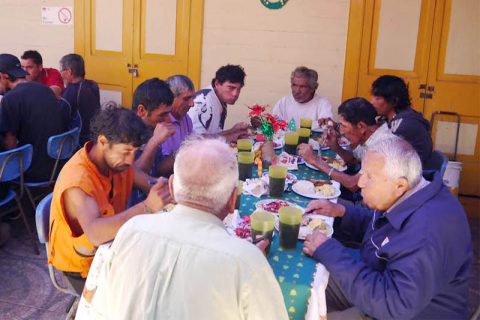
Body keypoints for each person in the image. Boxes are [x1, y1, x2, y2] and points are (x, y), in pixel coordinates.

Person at [90, 136, 288, 319]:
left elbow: (100, 309)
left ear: (171, 187)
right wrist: (251, 264)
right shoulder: (245, 261)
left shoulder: (131, 230)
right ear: (232, 200)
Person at [302, 136, 472, 319]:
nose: (360, 183)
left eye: (369, 177)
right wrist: (341, 211)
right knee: (305, 279)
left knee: (306, 310)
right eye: (363, 173)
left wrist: (330, 251)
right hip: (379, 282)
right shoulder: (412, 193)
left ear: (400, 185)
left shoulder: (426, 232)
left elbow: (394, 305)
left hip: (400, 309)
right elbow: (383, 226)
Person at [48, 107, 172, 294]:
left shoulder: (117, 163)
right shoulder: (78, 182)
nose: (131, 160)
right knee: (145, 294)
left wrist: (170, 189)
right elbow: (95, 234)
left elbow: (147, 182)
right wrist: (146, 207)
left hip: (111, 249)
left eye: (135, 152)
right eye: (126, 152)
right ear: (103, 141)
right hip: (84, 266)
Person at [298, 98, 394, 192]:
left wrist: (315, 161)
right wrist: (335, 147)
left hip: (366, 203)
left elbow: (353, 184)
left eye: (344, 126)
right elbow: (354, 159)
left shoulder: (381, 147)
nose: (341, 132)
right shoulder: (372, 135)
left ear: (361, 126)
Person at [0, 53, 69, 182]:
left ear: (3, 76)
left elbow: (10, 144)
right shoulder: (45, 89)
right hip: (56, 164)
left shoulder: (10, 99)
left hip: (31, 170)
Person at [370, 75, 432, 164]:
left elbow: (381, 155)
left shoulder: (404, 123)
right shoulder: (391, 118)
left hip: (411, 173)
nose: (372, 102)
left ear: (393, 100)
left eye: (378, 98)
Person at [188, 64, 249, 141]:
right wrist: (229, 137)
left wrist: (232, 131)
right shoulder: (203, 102)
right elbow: (196, 140)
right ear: (216, 84)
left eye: (239, 89)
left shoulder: (219, 99)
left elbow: (211, 135)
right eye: (231, 88)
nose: (235, 94)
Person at [59, 53, 101, 146]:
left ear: (69, 71)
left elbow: (60, 121)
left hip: (78, 143)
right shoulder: (93, 85)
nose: (60, 74)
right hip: (95, 138)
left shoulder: (69, 94)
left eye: (62, 70)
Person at [162, 74, 195, 156]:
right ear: (170, 98)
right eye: (186, 98)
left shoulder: (186, 119)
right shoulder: (160, 121)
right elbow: (161, 166)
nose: (192, 104)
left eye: (192, 98)